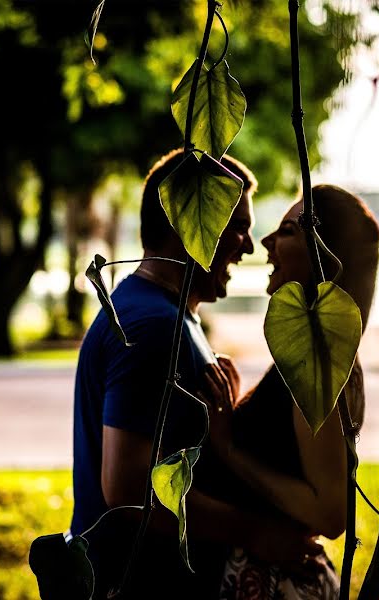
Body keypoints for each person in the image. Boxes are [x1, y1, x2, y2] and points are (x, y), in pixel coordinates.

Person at [68, 149, 323, 600]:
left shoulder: (158, 312)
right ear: (192, 223)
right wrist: (256, 532)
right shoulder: (152, 328)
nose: (248, 245)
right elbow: (128, 489)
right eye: (238, 226)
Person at [199, 184, 379, 600]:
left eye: (286, 231)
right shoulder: (329, 354)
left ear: (325, 254)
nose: (265, 242)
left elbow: (329, 512)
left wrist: (229, 448)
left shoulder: (318, 360)